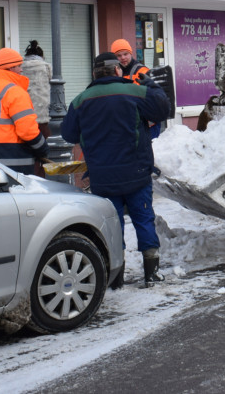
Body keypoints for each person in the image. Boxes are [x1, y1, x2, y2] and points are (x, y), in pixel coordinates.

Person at [61, 52, 173, 288]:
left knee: (112, 225)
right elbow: (163, 110)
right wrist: (151, 84)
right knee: (143, 219)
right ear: (116, 71)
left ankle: (116, 278)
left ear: (95, 73)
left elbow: (68, 134)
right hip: (136, 173)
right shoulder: (133, 92)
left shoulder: (81, 100)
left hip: (103, 178)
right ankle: (151, 273)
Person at [110, 38, 162, 139]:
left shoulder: (142, 71)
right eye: (119, 55)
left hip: (148, 124)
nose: (123, 57)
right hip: (129, 124)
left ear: (131, 53)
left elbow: (154, 97)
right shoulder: (114, 73)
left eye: (125, 54)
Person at [21, 41, 53, 178]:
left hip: (24, 116)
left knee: (26, 150)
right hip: (42, 117)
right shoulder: (46, 67)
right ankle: (39, 178)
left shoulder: (20, 67)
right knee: (41, 153)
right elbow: (52, 80)